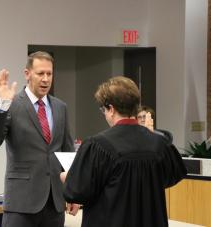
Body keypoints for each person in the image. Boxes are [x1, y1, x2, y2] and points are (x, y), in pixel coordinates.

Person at [61, 76, 186, 227]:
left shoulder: (97, 145)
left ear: (111, 109)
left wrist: (67, 177)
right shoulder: (160, 144)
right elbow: (174, 175)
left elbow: (76, 192)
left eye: (104, 110)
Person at [0, 51, 79, 227]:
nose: (45, 79)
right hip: (21, 203)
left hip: (54, 203)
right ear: (27, 74)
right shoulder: (11, 104)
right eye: (40, 73)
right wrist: (2, 105)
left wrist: (73, 192)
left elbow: (67, 151)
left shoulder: (60, 107)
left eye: (49, 74)